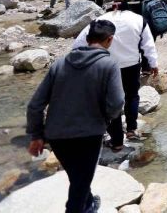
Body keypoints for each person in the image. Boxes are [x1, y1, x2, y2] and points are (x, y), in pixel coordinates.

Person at [27, 19, 124, 213]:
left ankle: (89, 205)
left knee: (77, 178)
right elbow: (117, 103)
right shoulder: (109, 65)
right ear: (110, 40)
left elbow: (35, 105)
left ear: (87, 39)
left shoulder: (60, 63)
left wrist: (36, 135)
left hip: (57, 135)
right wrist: (105, 119)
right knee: (79, 185)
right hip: (89, 135)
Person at [73, 0, 158, 150]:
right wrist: (153, 63)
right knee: (132, 96)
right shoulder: (138, 19)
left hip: (105, 66)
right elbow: (148, 44)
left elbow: (79, 43)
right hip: (131, 65)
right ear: (130, 4)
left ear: (114, 5)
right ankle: (131, 130)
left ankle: (116, 141)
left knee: (110, 102)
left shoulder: (100, 21)